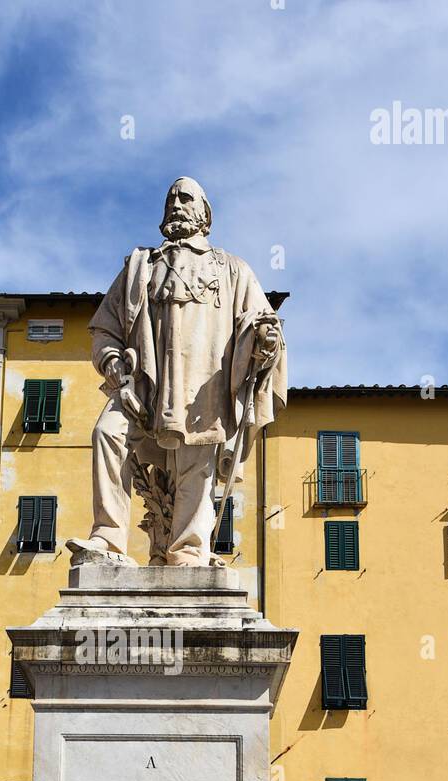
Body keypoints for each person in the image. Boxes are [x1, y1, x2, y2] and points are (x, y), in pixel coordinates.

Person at [67, 177, 285, 568]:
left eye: (186, 198)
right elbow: (105, 329)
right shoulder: (139, 266)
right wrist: (114, 364)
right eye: (171, 198)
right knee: (107, 434)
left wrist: (265, 339)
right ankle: (108, 539)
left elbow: (261, 321)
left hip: (204, 385)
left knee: (194, 467)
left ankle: (188, 552)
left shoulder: (233, 268)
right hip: (143, 383)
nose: (176, 204)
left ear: (205, 213)